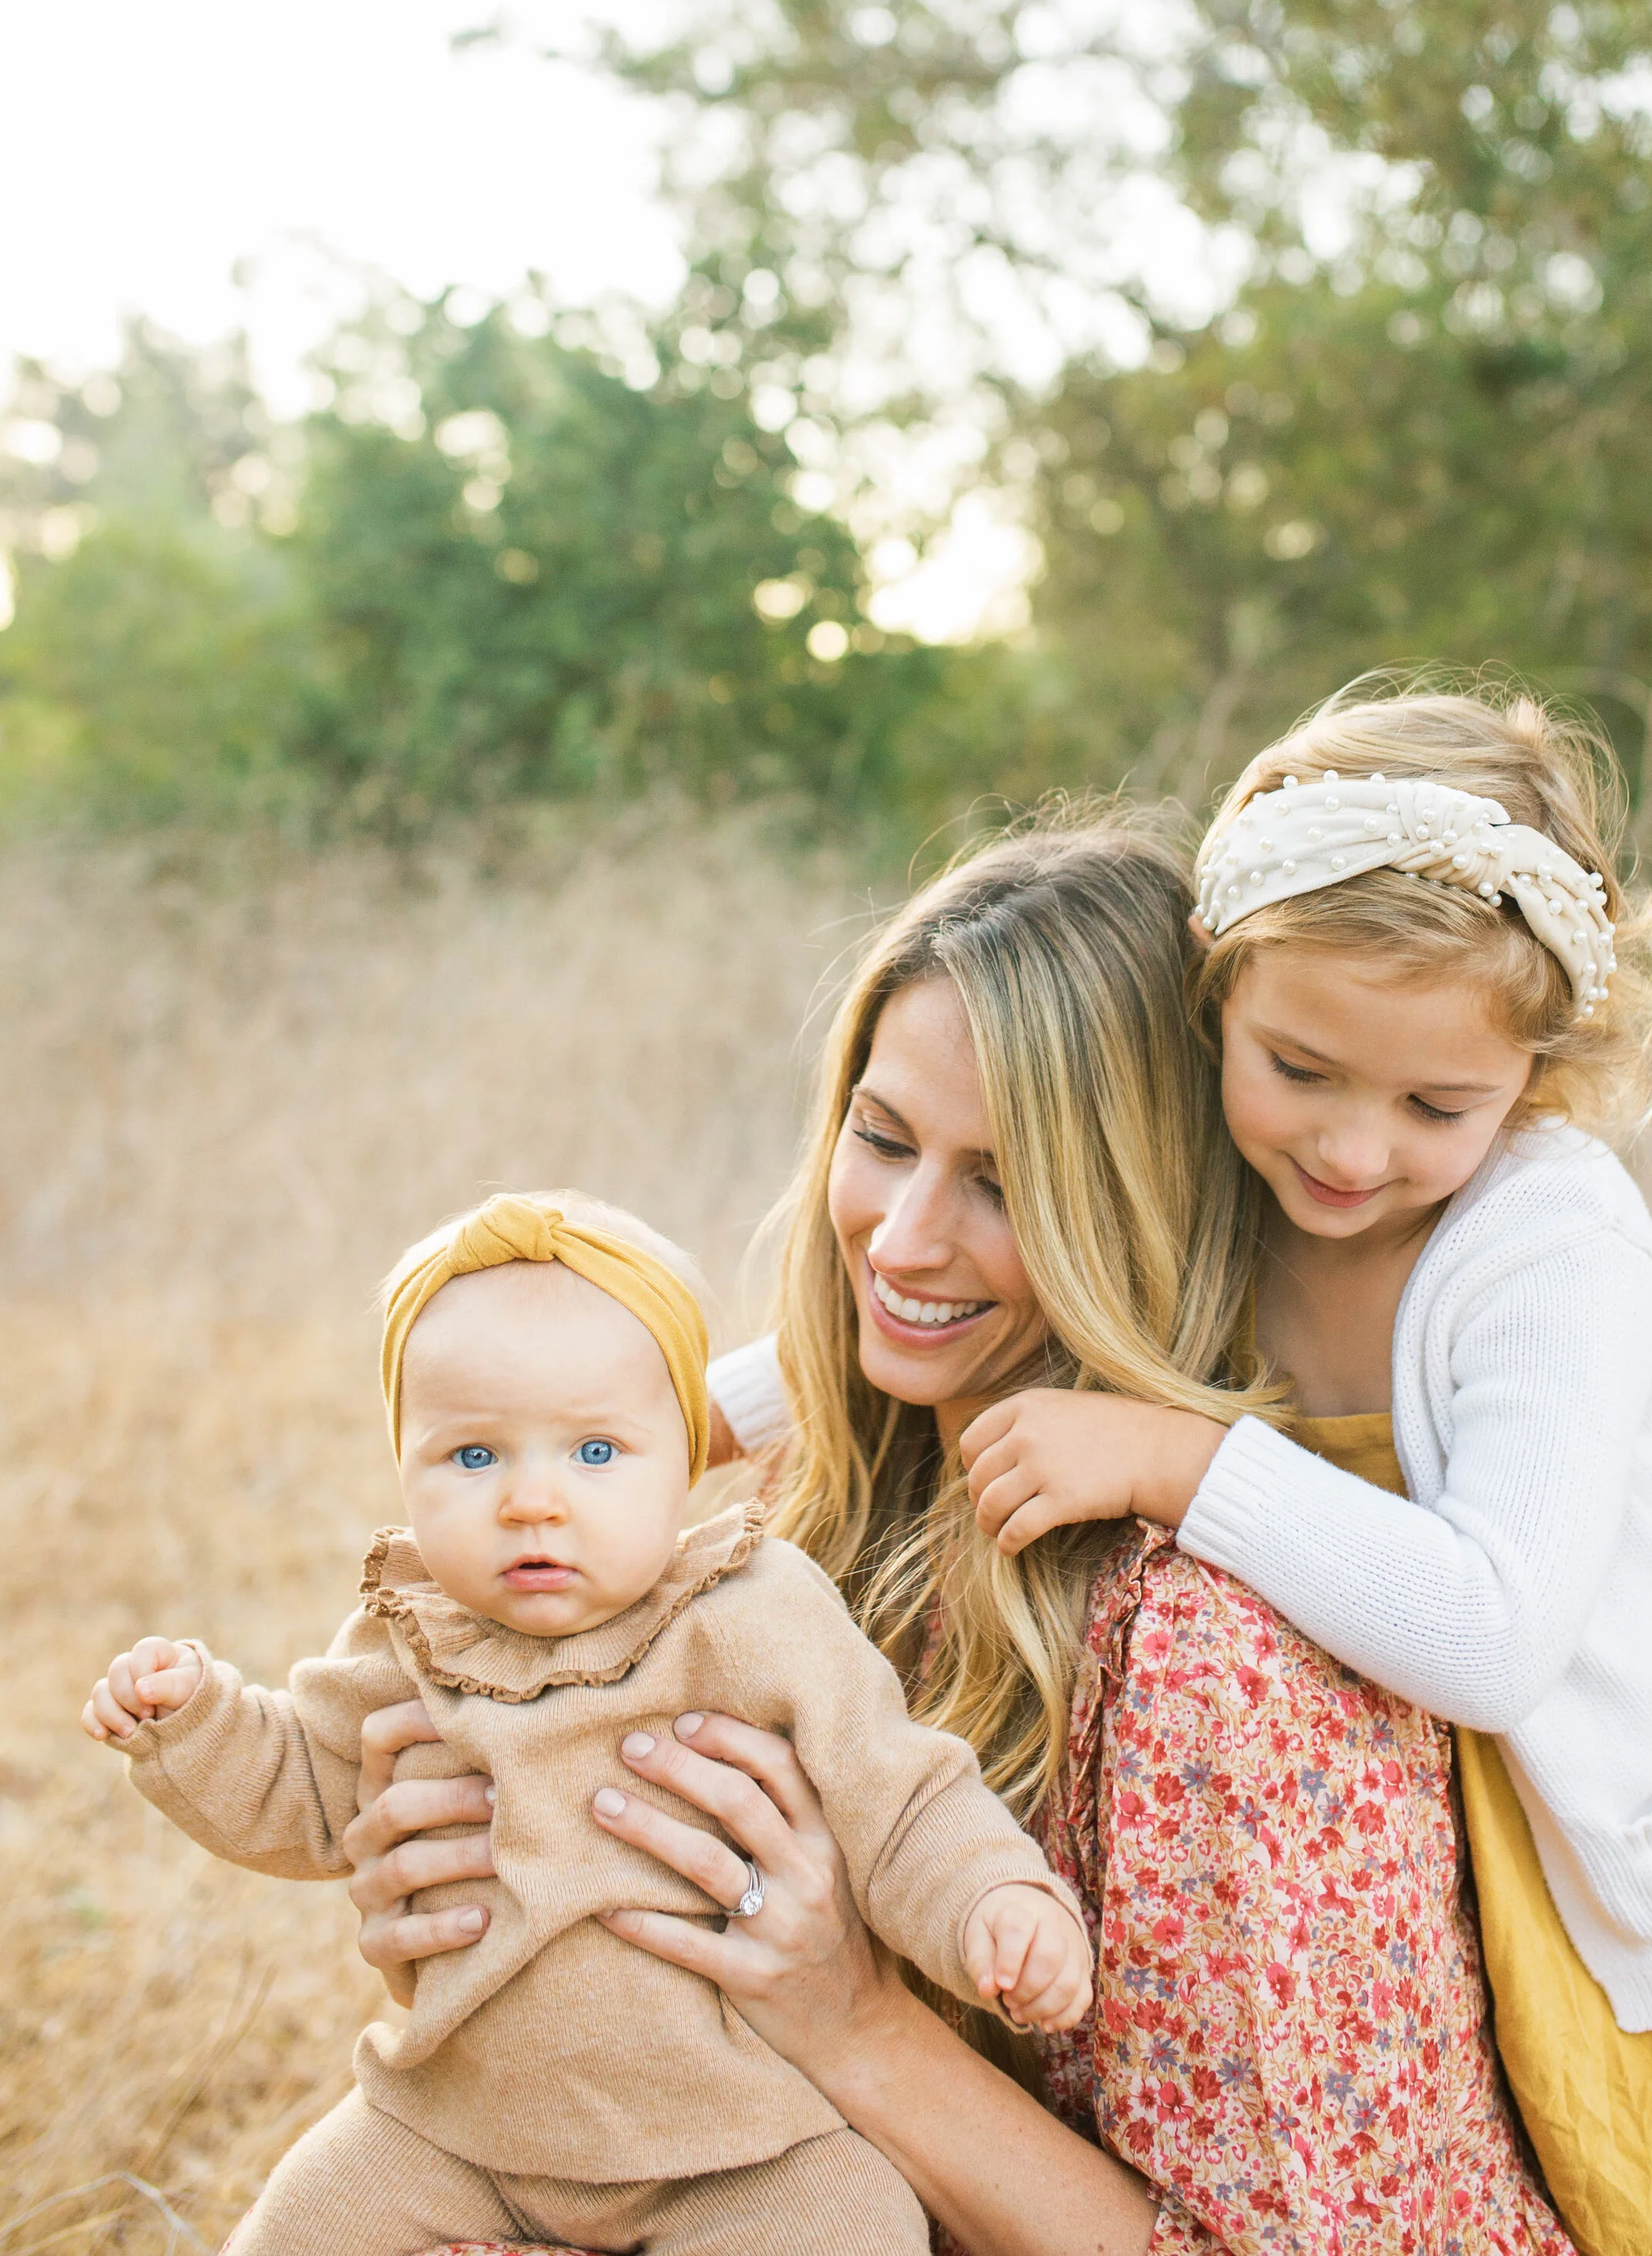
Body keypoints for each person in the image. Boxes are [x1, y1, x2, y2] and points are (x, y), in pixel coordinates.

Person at [344, 825, 1576, 2254]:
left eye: (1002, 1182)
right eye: (880, 1139)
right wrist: (469, 1916)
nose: (904, 1238)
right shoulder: (820, 1497)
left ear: (1139, 1206)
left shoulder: (1209, 1664)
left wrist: (853, 2019)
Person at [957, 689, 1652, 2254]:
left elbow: (1489, 1636)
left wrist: (1175, 1460)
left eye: (1434, 1105)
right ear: (1214, 989)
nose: (1350, 1149)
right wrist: (733, 1396)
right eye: (1299, 1066)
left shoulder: (1545, 1241)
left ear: (1537, 1071)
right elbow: (981, 1280)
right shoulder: (1218, 1160)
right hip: (1437, 1812)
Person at [82, 1187, 1087, 2256]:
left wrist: (995, 1898)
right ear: (404, 1467)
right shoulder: (412, 1639)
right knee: (290, 2231)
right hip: (450, 2132)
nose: (533, 1500)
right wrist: (189, 1720)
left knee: (855, 2219)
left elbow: (901, 1795)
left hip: (742, 2146)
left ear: (683, 1458)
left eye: (596, 1453)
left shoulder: (753, 1613)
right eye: (474, 1456)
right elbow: (305, 1789)